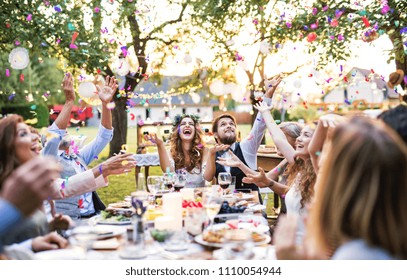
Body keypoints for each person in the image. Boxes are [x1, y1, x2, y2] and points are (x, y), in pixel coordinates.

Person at [275, 116, 407, 260]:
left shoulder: (357, 255)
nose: (318, 160)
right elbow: (314, 151)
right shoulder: (388, 238)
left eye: (328, 150)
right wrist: (323, 123)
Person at [0, 114, 136, 245]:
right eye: (23, 134)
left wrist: (49, 227)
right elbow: (54, 137)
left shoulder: (77, 157)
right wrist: (101, 168)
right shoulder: (47, 161)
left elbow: (62, 187)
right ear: (6, 146)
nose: (34, 137)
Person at [45, 72, 118, 219]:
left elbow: (104, 136)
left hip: (95, 216)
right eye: (61, 131)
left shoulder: (78, 156)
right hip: (71, 221)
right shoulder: (49, 160)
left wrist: (105, 104)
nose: (65, 131)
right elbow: (54, 134)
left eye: (66, 131)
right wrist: (69, 101)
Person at [243, 101, 316, 244]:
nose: (299, 139)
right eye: (300, 134)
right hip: (289, 243)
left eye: (306, 135)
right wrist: (265, 112)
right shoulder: (301, 164)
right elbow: (279, 138)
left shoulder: (322, 172)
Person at [206, 75, 282, 201]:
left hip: (251, 205)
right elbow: (208, 178)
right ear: (215, 134)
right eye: (223, 125)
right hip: (226, 205)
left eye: (231, 124)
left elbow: (260, 124)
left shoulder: (246, 147)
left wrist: (268, 95)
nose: (229, 126)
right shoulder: (213, 153)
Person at [146, 114, 228, 188]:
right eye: (183, 124)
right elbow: (169, 173)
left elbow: (208, 177)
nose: (187, 125)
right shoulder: (170, 152)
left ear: (195, 131)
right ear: (178, 131)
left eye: (191, 124)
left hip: (198, 199)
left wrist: (212, 154)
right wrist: (160, 145)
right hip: (178, 199)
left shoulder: (205, 151)